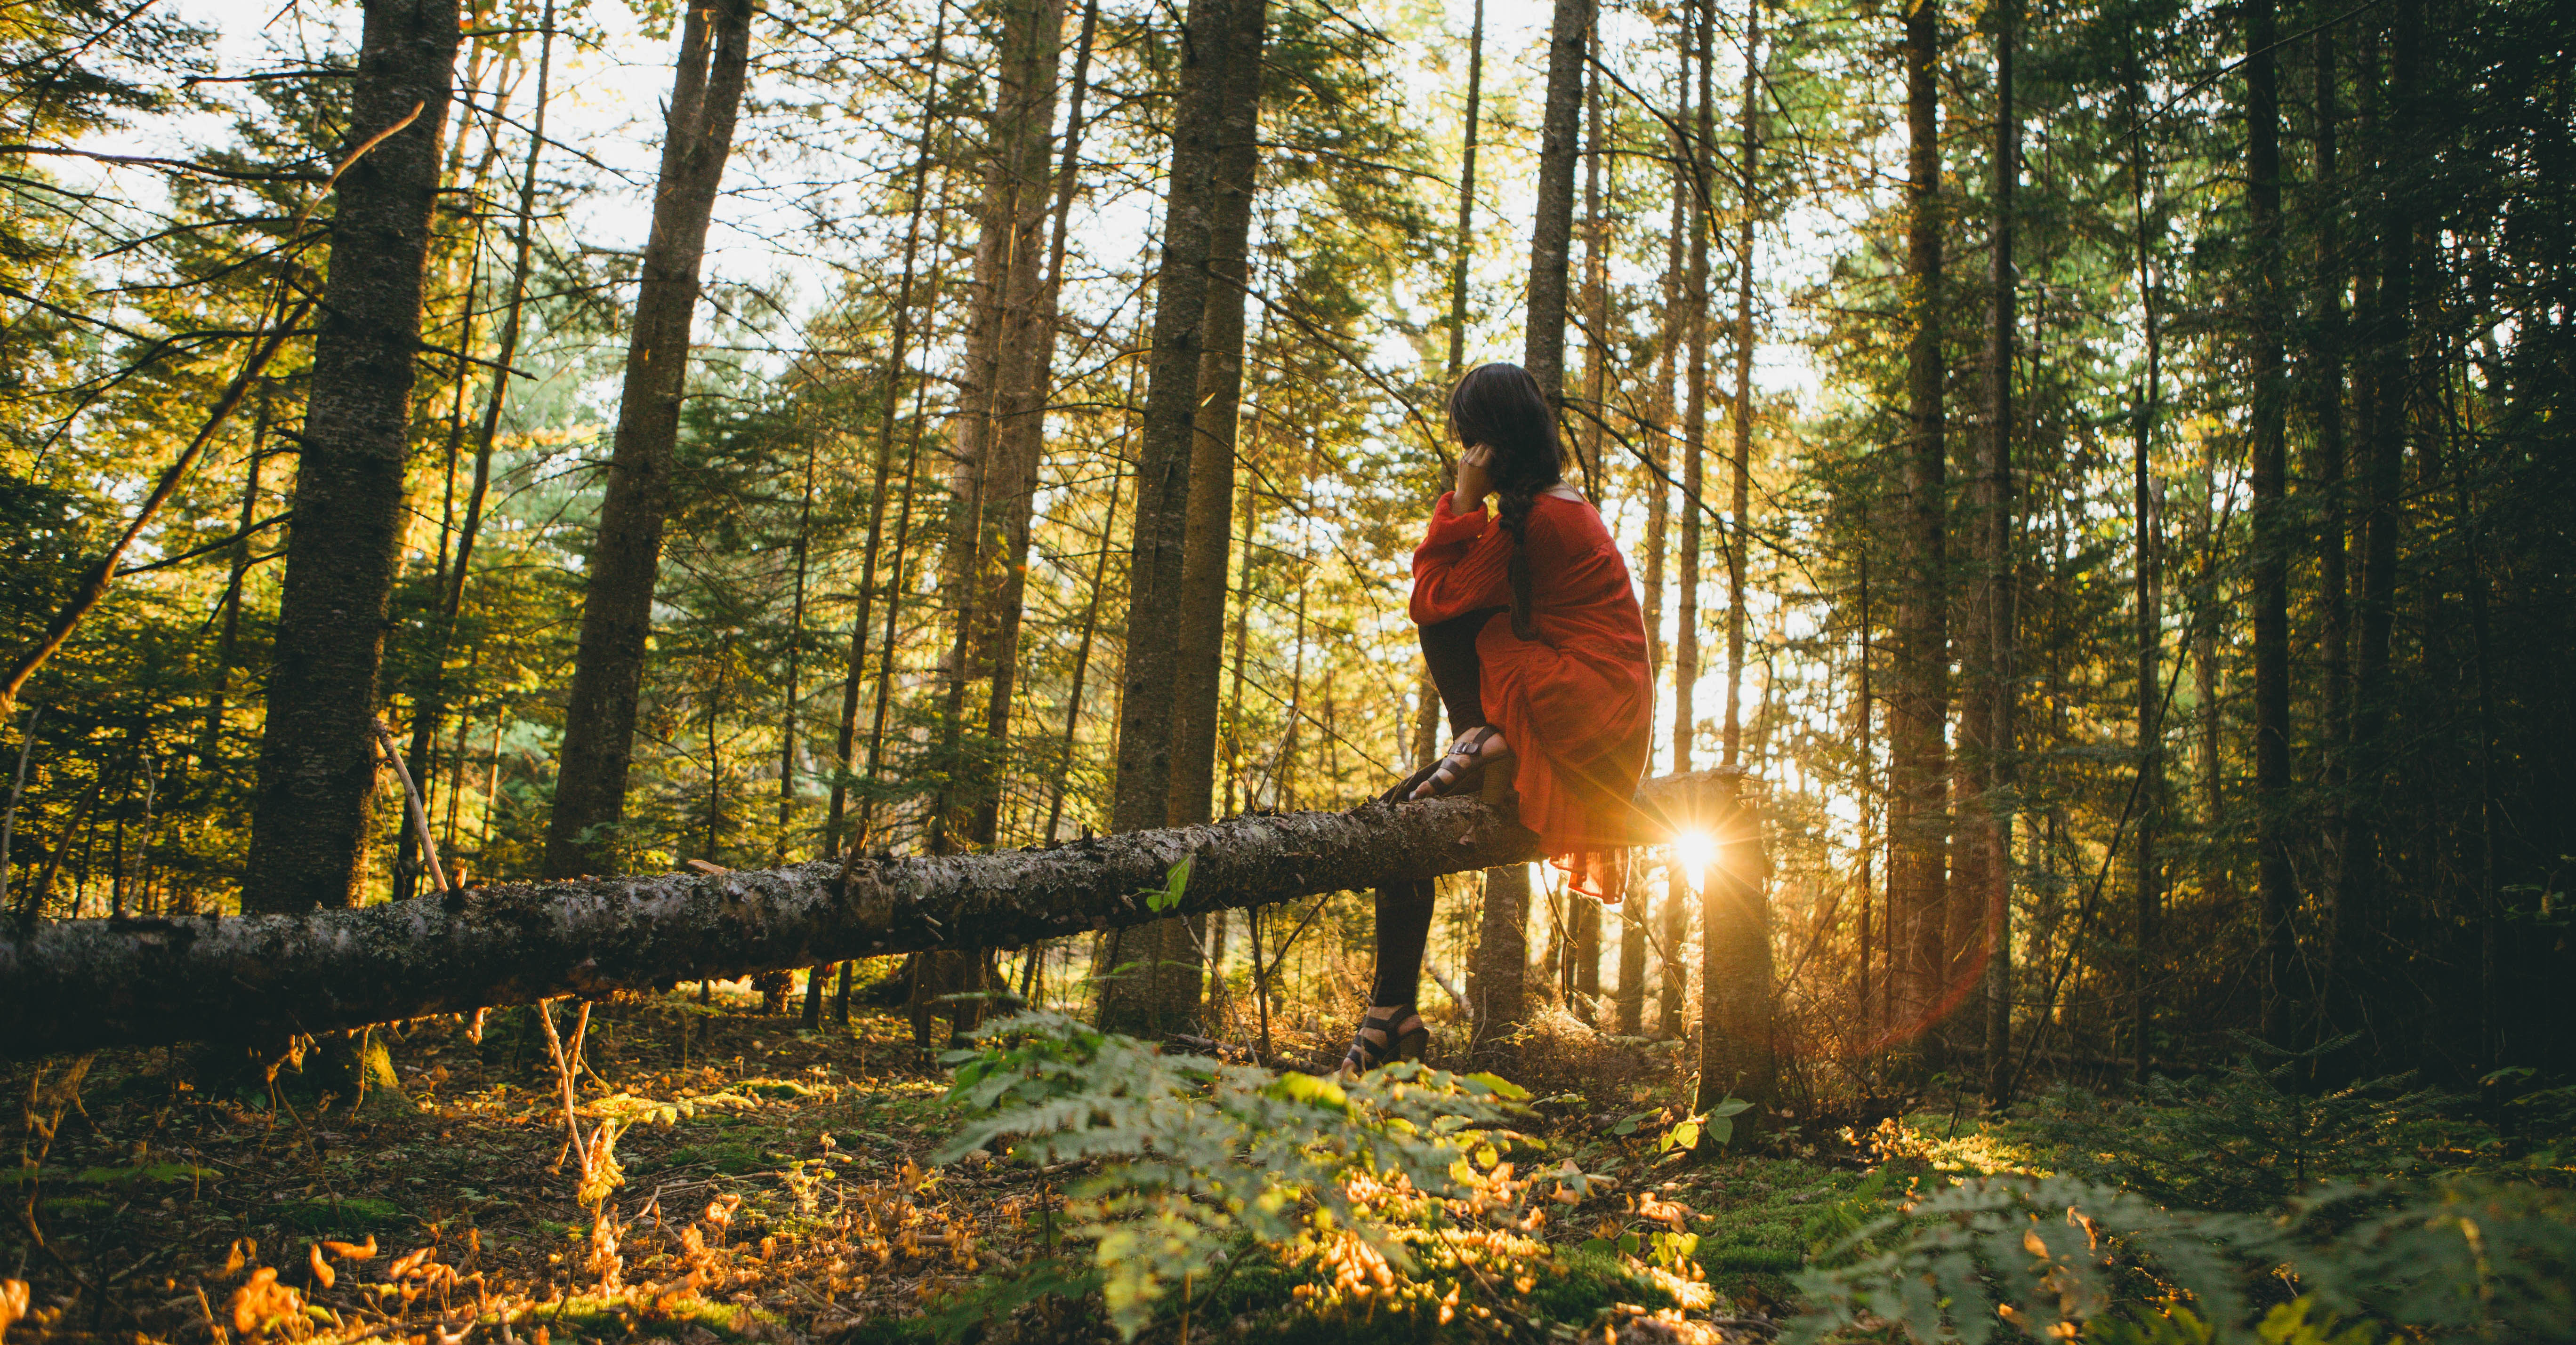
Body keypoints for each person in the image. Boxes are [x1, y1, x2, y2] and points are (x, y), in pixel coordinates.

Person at [1344, 362, 1654, 1073]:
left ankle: (1485, 741)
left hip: (1582, 711)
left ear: (1490, 443)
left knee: (1451, 621)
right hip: (1590, 709)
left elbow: (1432, 597)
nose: (1467, 454)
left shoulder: (1542, 519)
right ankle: (1392, 1010)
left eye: (1470, 441)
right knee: (1401, 815)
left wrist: (1460, 499)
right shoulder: (1550, 506)